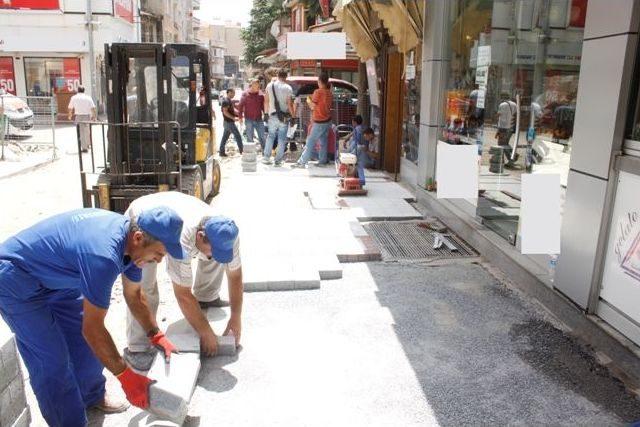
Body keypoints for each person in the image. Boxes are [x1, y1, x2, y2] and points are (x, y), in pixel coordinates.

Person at [0, 207, 186, 426]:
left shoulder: (134, 248)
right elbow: (93, 329)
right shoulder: (103, 255)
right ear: (138, 238)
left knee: (83, 344)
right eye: (159, 254)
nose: (160, 260)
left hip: (61, 275)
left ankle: (91, 396)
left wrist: (155, 335)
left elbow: (134, 295)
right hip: (16, 279)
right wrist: (126, 377)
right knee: (52, 360)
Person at [123, 191, 244, 370]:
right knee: (144, 286)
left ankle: (206, 297)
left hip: (178, 210)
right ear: (200, 236)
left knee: (215, 258)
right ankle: (137, 347)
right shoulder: (183, 238)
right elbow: (182, 294)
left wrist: (236, 317)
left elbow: (235, 276)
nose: (214, 257)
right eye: (212, 250)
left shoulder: (226, 233)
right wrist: (205, 332)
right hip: (146, 219)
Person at [293, 71, 333, 168]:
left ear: (319, 81)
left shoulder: (317, 92)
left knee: (310, 141)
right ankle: (322, 161)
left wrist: (308, 100)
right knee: (323, 141)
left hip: (319, 121)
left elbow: (312, 107)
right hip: (327, 120)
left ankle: (302, 162)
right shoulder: (329, 93)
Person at [262, 69, 295, 166]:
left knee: (270, 136)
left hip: (272, 115)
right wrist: (293, 116)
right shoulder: (288, 88)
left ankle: (266, 158)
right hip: (283, 117)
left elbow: (266, 101)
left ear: (278, 75)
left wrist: (266, 113)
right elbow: (289, 104)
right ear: (286, 77)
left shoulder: (269, 85)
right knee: (281, 139)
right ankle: (278, 161)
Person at [238, 79, 266, 150]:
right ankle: (251, 153)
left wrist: (266, 114)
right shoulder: (245, 94)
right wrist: (240, 117)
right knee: (250, 138)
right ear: (252, 86)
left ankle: (265, 153)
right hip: (249, 120)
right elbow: (240, 106)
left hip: (259, 119)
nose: (258, 88)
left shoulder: (260, 95)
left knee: (262, 136)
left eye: (259, 87)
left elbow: (262, 106)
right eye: (257, 87)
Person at [68, 86, 96, 153]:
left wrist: (70, 115)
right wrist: (94, 116)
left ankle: (84, 148)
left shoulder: (74, 97)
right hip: (87, 116)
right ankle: (88, 144)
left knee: (81, 132)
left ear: (78, 90)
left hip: (78, 116)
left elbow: (70, 108)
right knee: (87, 130)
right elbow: (93, 108)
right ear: (84, 90)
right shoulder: (88, 97)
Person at [219, 88, 243, 157]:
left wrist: (239, 114)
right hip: (229, 123)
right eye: (233, 93)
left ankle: (221, 152)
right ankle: (242, 151)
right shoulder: (226, 101)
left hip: (228, 122)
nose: (234, 94)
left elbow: (233, 110)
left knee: (225, 138)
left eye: (234, 93)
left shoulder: (229, 101)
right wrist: (233, 118)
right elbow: (225, 112)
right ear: (228, 92)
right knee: (238, 136)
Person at [496, 92, 518, 166]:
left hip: (503, 128)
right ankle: (513, 154)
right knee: (505, 143)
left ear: (502, 98)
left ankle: (508, 159)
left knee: (501, 144)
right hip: (511, 128)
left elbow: (498, 115)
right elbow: (516, 115)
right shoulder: (515, 104)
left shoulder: (502, 105)